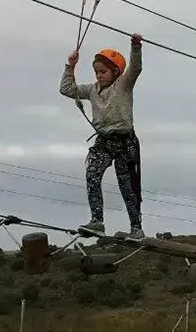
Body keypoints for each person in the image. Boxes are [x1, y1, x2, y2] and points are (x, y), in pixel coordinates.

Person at [59, 33, 145, 239]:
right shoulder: (91, 90)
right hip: (104, 142)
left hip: (125, 143)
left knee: (127, 186)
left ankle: (136, 228)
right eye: (96, 72)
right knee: (92, 174)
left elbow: (136, 68)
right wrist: (70, 66)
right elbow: (66, 89)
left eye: (103, 71)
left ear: (115, 71)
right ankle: (97, 221)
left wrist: (135, 46)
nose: (99, 75)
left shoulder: (123, 85)